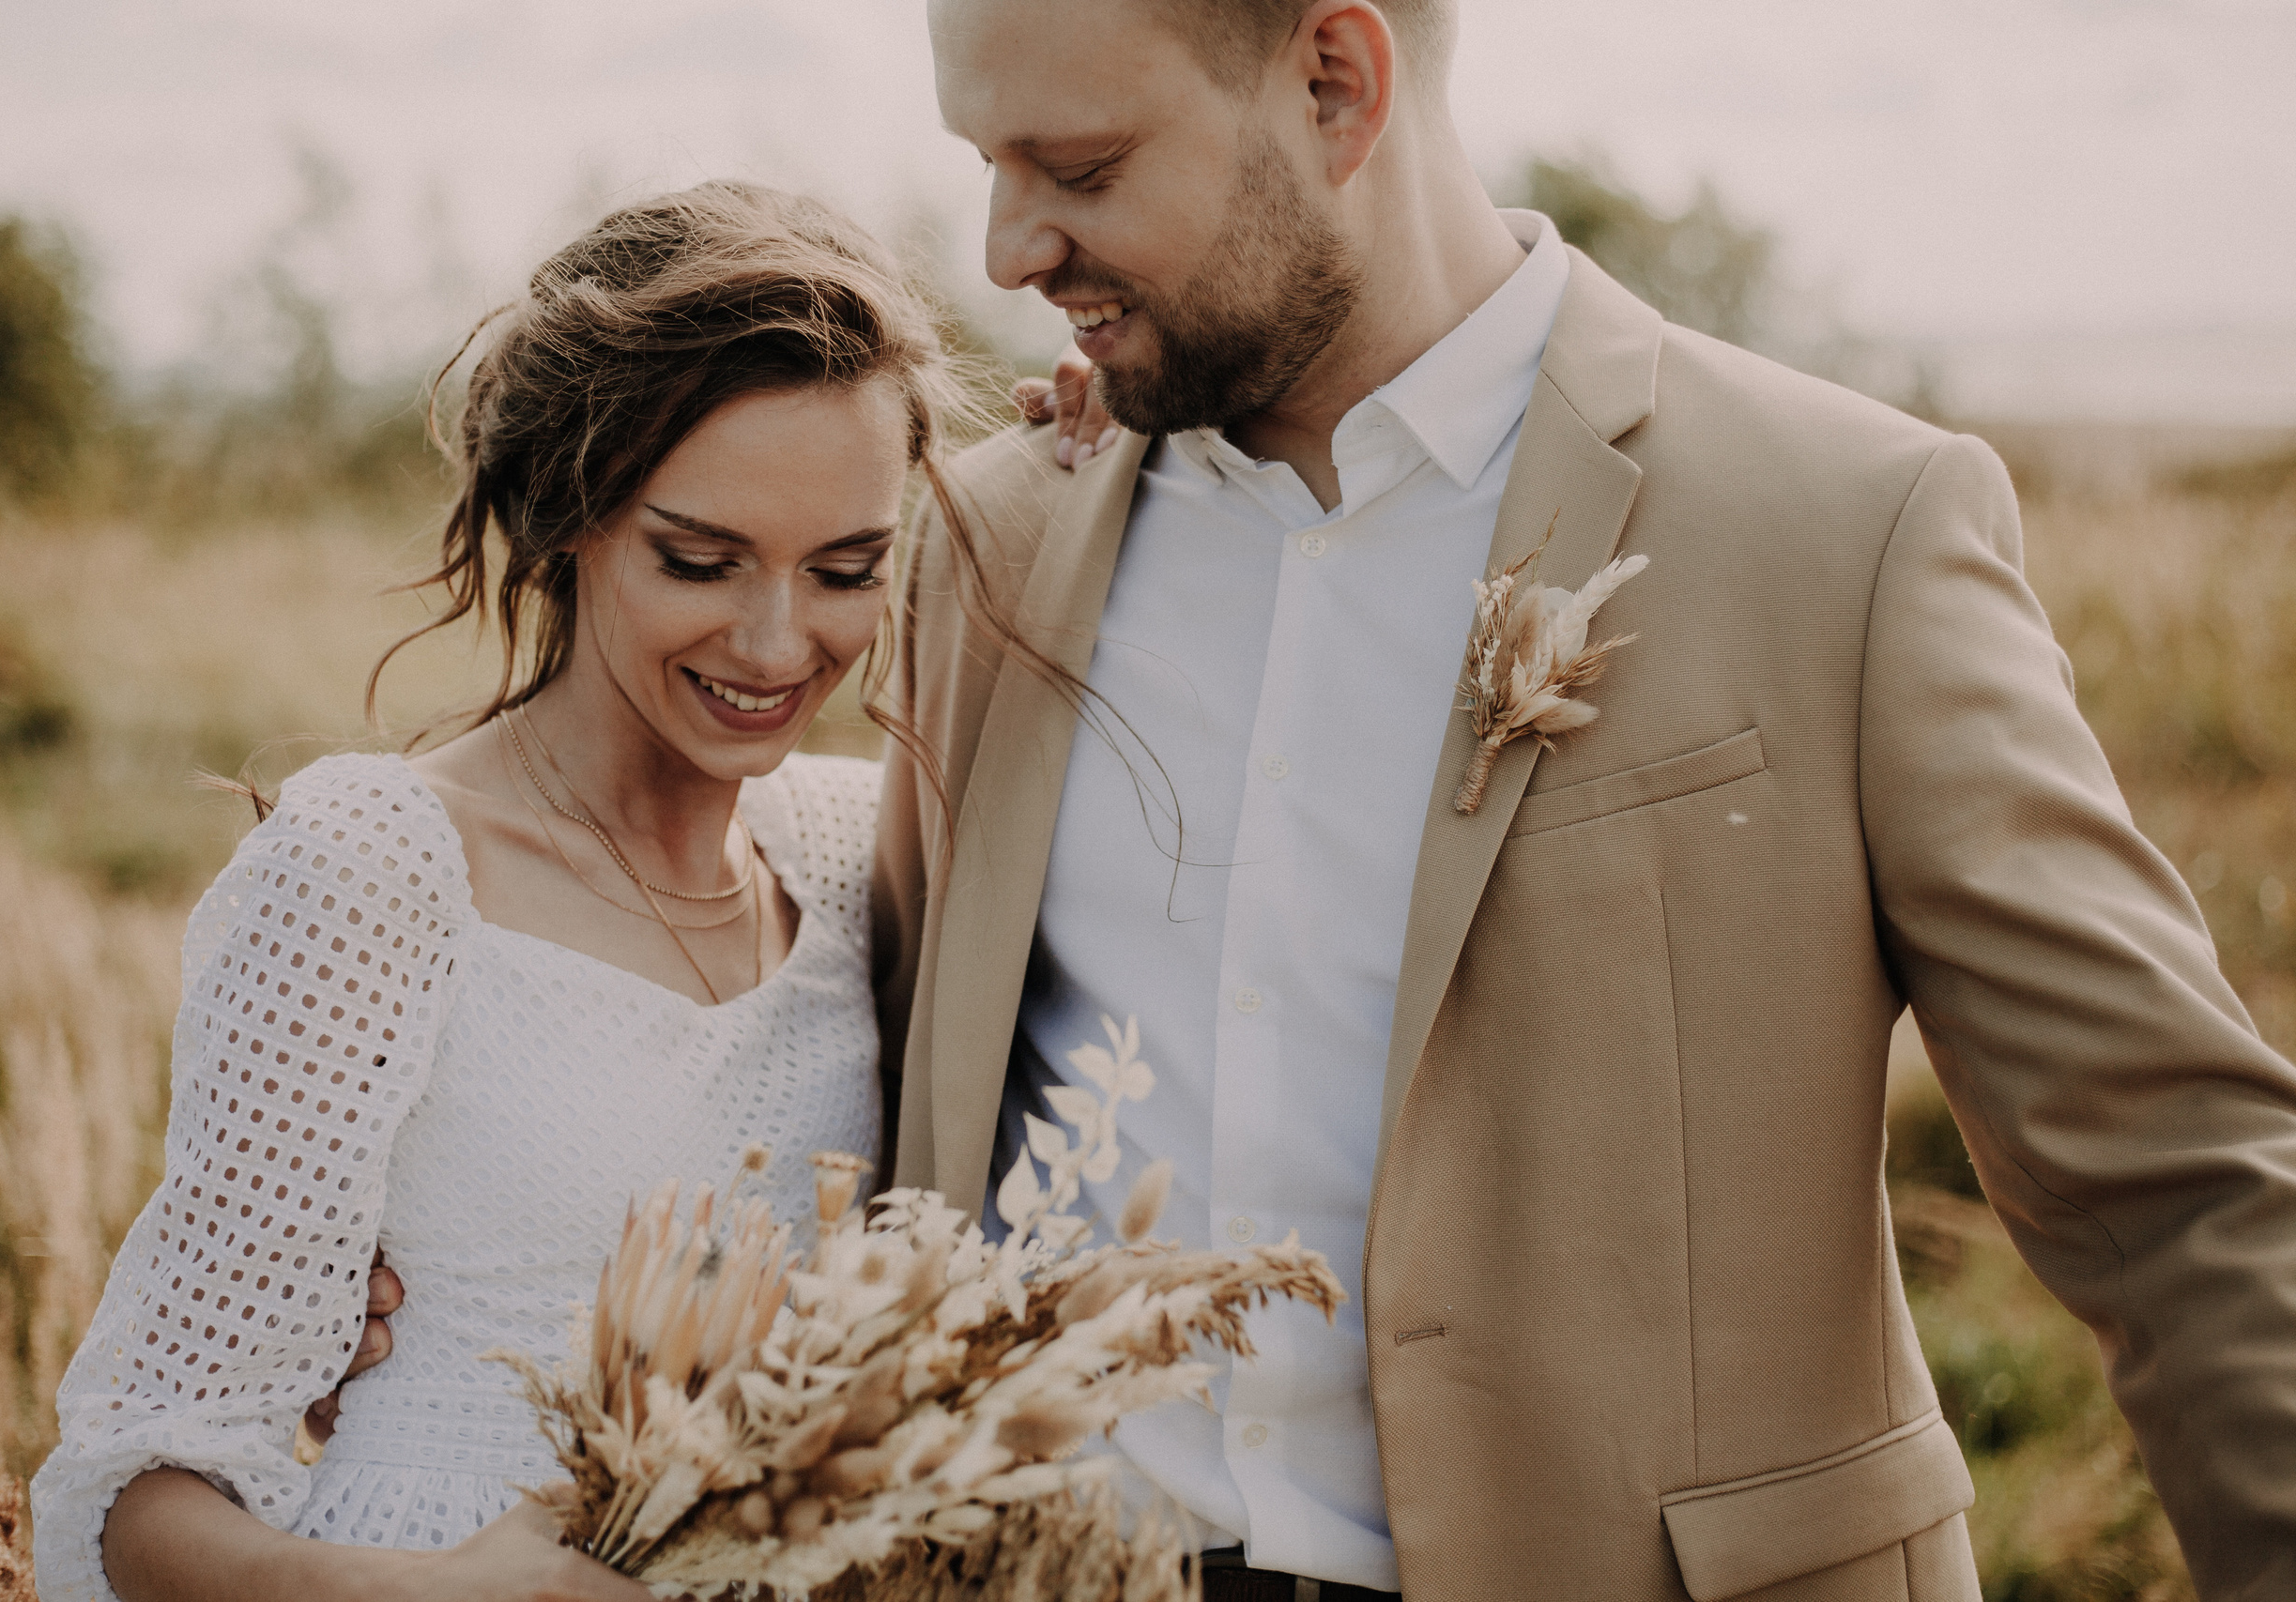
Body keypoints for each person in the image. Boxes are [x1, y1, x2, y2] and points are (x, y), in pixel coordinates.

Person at [879, 3, 2296, 1600]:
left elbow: (2177, 1185)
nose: (1007, 248)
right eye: (988, 163)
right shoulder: (985, 550)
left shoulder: (1845, 529)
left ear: (1339, 87)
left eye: (1079, 165)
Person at [29, 180, 1023, 1602]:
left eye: (847, 570)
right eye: (700, 560)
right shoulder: (375, 868)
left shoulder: (859, 858)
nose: (778, 639)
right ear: (567, 518)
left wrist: (1109, 469)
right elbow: (144, 1497)